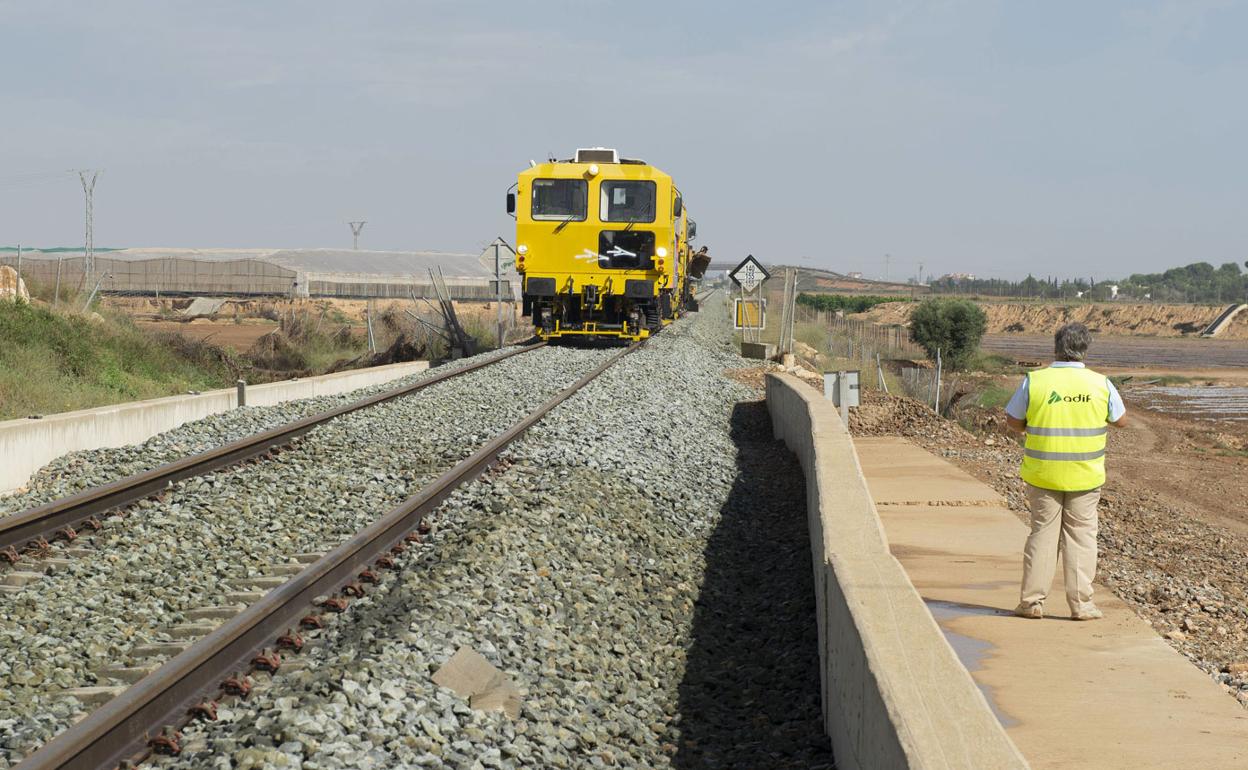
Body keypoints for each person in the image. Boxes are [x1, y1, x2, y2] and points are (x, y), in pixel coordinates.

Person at [1003, 323, 1127, 621]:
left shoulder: (1035, 381)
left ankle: (1032, 602)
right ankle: (1081, 605)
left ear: (1056, 347)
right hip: (1084, 475)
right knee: (1082, 537)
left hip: (1043, 473)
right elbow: (1121, 420)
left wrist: (1028, 427)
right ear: (1086, 348)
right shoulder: (1100, 383)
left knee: (1043, 534)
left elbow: (1012, 419)